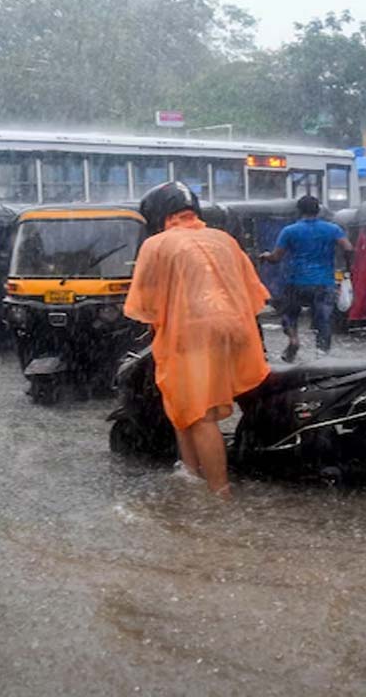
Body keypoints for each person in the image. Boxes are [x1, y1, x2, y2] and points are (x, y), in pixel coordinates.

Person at [124, 183, 270, 497]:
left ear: (157, 214)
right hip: (233, 331)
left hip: (191, 333)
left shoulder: (158, 244)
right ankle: (190, 473)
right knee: (182, 402)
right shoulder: (223, 239)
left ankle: (220, 493)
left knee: (200, 413)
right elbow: (251, 289)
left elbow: (145, 301)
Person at [259, 195, 353, 362]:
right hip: (324, 283)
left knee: (289, 314)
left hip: (296, 281)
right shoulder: (332, 229)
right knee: (323, 318)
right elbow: (348, 248)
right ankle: (322, 354)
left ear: (299, 211)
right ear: (318, 210)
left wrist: (266, 256)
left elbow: (276, 257)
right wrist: (348, 269)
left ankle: (294, 340)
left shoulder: (290, 231)